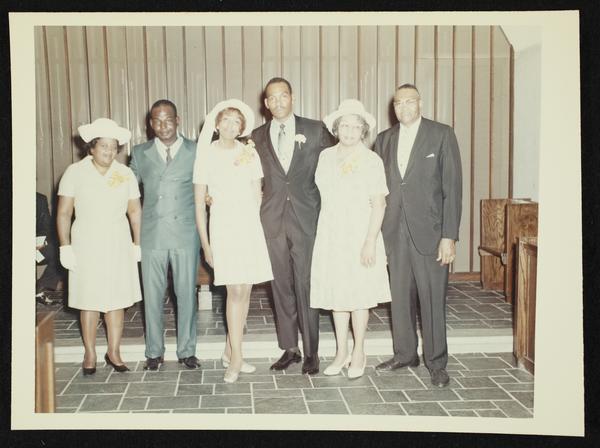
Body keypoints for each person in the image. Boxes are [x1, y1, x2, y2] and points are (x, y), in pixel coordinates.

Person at [374, 84, 462, 387]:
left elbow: (453, 189)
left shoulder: (441, 134)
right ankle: (405, 354)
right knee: (399, 297)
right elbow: (376, 189)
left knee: (432, 300)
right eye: (398, 103)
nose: (404, 107)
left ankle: (436, 363)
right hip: (393, 232)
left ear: (420, 103)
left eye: (409, 101)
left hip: (431, 234)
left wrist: (449, 236)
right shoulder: (384, 139)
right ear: (393, 107)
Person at [251, 77, 336, 375]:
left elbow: (335, 166)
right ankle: (290, 348)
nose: (278, 102)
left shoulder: (315, 130)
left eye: (283, 96)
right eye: (272, 98)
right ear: (265, 103)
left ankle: (312, 351)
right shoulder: (256, 137)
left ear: (293, 97)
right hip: (272, 219)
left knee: (306, 283)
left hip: (307, 217)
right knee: (280, 284)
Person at [193, 99, 273, 383]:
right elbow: (199, 205)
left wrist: (255, 229)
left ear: (242, 127)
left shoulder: (249, 152)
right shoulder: (205, 154)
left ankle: (231, 351)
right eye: (225, 120)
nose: (230, 126)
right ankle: (237, 357)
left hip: (248, 226)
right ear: (216, 124)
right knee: (235, 290)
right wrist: (206, 245)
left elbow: (257, 193)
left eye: (236, 122)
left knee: (245, 290)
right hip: (222, 226)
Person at [310, 100, 391, 379]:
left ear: (363, 131)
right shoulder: (325, 156)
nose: (349, 131)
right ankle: (341, 351)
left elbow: (379, 204)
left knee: (358, 295)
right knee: (338, 295)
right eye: (344, 125)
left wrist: (370, 241)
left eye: (356, 127)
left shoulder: (371, 160)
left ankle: (359, 351)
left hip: (360, 233)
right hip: (332, 233)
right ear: (336, 128)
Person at [56, 118, 142, 375]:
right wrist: (65, 246)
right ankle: (90, 352)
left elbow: (135, 211)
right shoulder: (74, 172)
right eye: (103, 146)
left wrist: (137, 243)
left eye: (113, 147)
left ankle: (114, 351)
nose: (109, 151)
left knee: (117, 298)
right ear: (91, 147)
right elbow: (64, 213)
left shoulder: (124, 173)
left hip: (118, 240)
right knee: (89, 298)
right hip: (86, 242)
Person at [130, 100, 201, 371]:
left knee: (186, 294)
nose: (163, 126)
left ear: (178, 120)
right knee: (152, 295)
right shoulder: (140, 153)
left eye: (168, 120)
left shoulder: (196, 150)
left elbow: (209, 185)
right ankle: (154, 351)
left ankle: (187, 351)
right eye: (157, 121)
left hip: (185, 233)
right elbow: (127, 190)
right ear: (151, 124)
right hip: (152, 234)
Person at [36, 192, 65, 304]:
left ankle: (39, 288)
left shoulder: (40, 199)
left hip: (36, 251)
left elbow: (46, 227)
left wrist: (42, 241)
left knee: (59, 251)